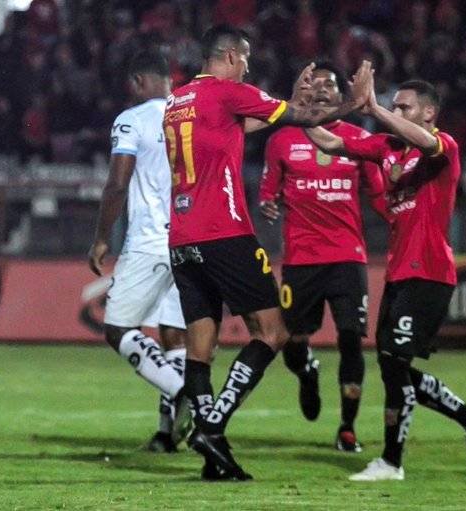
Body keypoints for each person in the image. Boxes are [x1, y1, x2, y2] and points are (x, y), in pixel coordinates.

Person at [164, 25, 374, 481]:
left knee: (200, 346)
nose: (248, 67)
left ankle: (214, 454)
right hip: (225, 232)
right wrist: (353, 104)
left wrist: (288, 104)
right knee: (273, 332)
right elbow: (303, 116)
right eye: (246, 59)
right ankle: (212, 426)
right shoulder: (229, 91)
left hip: (181, 238)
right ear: (231, 56)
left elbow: (246, 124)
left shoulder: (178, 101)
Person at [307, 79, 466, 481]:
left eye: (404, 107)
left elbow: (426, 143)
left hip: (429, 272)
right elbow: (330, 143)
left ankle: (392, 462)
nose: (397, 113)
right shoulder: (387, 149)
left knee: (394, 363)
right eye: (394, 106)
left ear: (429, 113)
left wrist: (375, 110)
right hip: (399, 274)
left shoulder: (444, 147)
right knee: (392, 366)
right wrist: (294, 112)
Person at [259, 61, 386, 452]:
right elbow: (268, 191)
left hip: (348, 256)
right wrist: (267, 204)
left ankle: (347, 428)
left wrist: (402, 220)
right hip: (301, 258)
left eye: (328, 85)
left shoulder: (357, 138)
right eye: (312, 84)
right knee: (292, 342)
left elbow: (379, 194)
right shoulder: (282, 140)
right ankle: (307, 373)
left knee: (351, 338)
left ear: (340, 94)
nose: (319, 90)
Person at [87, 49, 191, 452]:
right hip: (194, 239)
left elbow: (117, 184)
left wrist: (101, 237)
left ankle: (183, 392)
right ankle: (167, 434)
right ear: (170, 80)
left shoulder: (132, 119)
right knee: (175, 335)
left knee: (118, 328)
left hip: (151, 240)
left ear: (137, 81)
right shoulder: (190, 116)